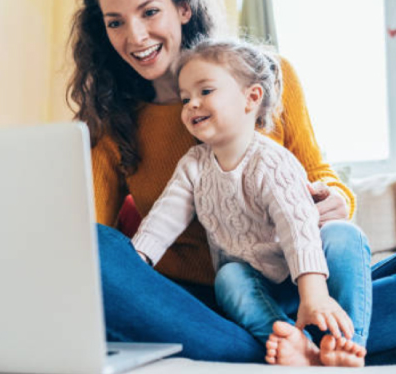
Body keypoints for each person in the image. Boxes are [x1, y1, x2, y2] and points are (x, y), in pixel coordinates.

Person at [66, 0, 396, 365]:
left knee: (345, 256)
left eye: (150, 12)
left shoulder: (269, 77)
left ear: (183, 7)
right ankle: (287, 346)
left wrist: (334, 198)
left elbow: (320, 172)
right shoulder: (113, 120)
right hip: (201, 305)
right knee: (92, 247)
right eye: (115, 22)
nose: (136, 35)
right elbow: (90, 244)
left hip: (304, 281)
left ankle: (308, 342)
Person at [131, 39, 371, 367]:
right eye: (185, 98)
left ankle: (345, 343)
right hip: (255, 287)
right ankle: (296, 344)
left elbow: (297, 227)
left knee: (345, 235)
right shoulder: (193, 165)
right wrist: (135, 259)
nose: (191, 105)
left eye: (205, 92)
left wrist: (313, 294)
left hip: (308, 276)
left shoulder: (272, 162)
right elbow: (165, 217)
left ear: (251, 97)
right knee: (229, 277)